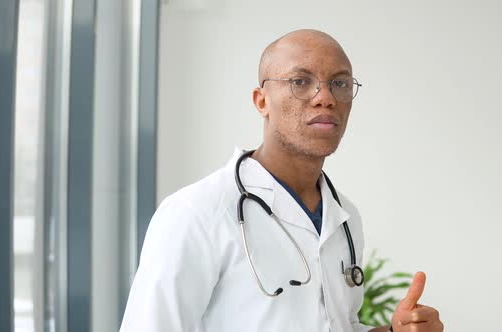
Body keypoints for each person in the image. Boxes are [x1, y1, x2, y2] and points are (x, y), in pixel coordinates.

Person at [120, 29, 444, 332]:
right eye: (301, 81)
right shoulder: (196, 213)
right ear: (262, 102)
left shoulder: (344, 217)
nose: (325, 97)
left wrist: (391, 330)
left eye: (340, 83)